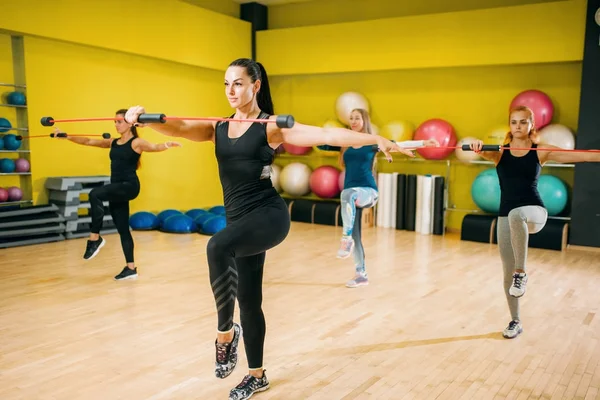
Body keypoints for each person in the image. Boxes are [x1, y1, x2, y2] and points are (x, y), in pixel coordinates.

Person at [123, 58, 415, 400]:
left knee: (216, 247)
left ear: (255, 85)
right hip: (239, 220)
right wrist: (141, 118)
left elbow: (325, 134)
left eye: (239, 83)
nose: (231, 91)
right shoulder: (217, 127)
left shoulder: (270, 126)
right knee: (249, 300)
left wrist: (373, 137)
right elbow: (179, 126)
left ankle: (225, 334)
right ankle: (256, 375)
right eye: (226, 84)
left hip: (268, 215)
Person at [469, 105, 600, 339]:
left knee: (516, 216)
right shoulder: (500, 152)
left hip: (534, 212)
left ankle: (522, 272)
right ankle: (515, 320)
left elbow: (582, 155)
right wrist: (479, 146)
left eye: (522, 122)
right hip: (506, 217)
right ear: (509, 125)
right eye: (513, 122)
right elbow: (480, 151)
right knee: (507, 275)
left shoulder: (541, 151)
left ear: (531, 125)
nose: (518, 126)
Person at [54, 108, 181, 281]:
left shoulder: (136, 142)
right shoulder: (113, 143)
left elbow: (153, 147)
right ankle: (131, 268)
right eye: (114, 121)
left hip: (129, 186)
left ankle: (94, 238)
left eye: (119, 121)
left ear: (129, 123)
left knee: (94, 194)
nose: (116, 124)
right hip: (117, 188)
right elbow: (89, 141)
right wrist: (66, 136)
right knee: (122, 229)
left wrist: (167, 144)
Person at [334, 108, 438, 288]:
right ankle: (361, 274)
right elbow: (320, 140)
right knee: (357, 235)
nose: (353, 121)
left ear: (364, 120)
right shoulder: (345, 143)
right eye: (351, 118)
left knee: (347, 193)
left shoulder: (372, 142)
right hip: (352, 196)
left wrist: (424, 142)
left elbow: (399, 144)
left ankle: (345, 238)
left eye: (357, 118)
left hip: (368, 191)